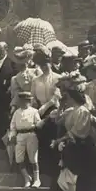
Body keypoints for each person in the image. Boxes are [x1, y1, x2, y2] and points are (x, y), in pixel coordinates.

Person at [49, 87, 96, 191]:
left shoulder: (83, 111)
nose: (66, 100)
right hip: (73, 147)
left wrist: (59, 141)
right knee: (66, 178)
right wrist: (61, 106)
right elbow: (57, 121)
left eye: (67, 98)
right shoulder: (70, 111)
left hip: (83, 148)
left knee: (80, 179)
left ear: (72, 98)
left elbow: (79, 132)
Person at [30, 45, 62, 178]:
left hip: (54, 110)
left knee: (52, 139)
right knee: (40, 139)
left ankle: (54, 169)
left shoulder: (57, 77)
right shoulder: (36, 80)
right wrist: (35, 108)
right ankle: (43, 171)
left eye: (46, 64)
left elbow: (56, 96)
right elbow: (33, 96)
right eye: (41, 65)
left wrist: (46, 106)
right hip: (39, 110)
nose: (44, 67)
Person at [8, 92, 46, 187]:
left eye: (26, 101)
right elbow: (13, 126)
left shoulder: (34, 111)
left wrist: (40, 123)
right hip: (20, 135)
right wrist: (12, 135)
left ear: (29, 101)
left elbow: (38, 123)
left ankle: (37, 179)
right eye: (22, 101)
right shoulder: (17, 112)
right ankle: (26, 177)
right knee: (18, 159)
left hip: (31, 134)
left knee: (33, 158)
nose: (24, 103)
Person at [9, 45, 39, 115]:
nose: (16, 65)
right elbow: (16, 94)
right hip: (24, 104)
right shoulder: (15, 78)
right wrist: (13, 106)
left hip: (37, 102)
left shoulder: (36, 71)